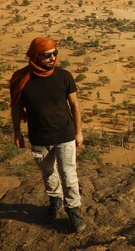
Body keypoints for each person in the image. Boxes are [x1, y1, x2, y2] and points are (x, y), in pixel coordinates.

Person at [10, 37, 86, 233]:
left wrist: (78, 131)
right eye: (47, 54)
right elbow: (17, 106)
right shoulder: (21, 79)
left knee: (68, 175)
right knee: (48, 174)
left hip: (65, 134)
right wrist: (17, 130)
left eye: (55, 53)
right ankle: (55, 201)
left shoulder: (64, 76)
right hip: (39, 136)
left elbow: (75, 105)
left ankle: (73, 210)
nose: (53, 57)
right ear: (36, 56)